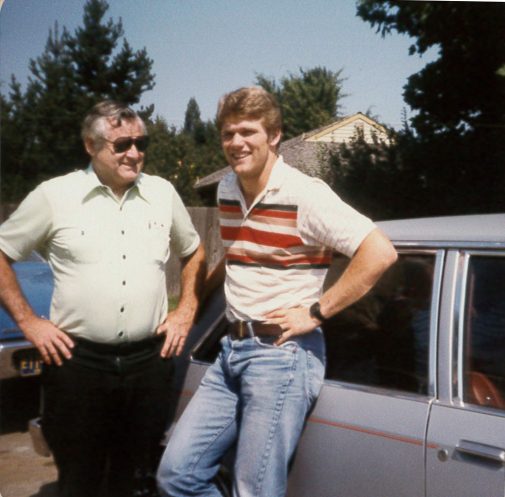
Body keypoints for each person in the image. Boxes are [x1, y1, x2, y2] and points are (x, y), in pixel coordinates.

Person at [157, 86, 397, 497]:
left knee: (254, 490)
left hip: (282, 356)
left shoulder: (306, 194)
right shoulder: (227, 190)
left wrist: (316, 313)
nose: (236, 143)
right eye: (228, 134)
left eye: (248, 132)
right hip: (231, 354)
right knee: (177, 476)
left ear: (274, 135)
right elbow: (236, 257)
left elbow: (379, 252)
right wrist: (188, 309)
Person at [0, 101, 206, 497]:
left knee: (134, 478)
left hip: (149, 362)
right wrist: (29, 322)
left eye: (141, 142)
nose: (134, 152)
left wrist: (186, 311)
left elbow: (195, 251)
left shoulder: (162, 193)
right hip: (78, 364)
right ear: (91, 146)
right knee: (79, 479)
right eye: (122, 143)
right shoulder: (54, 196)